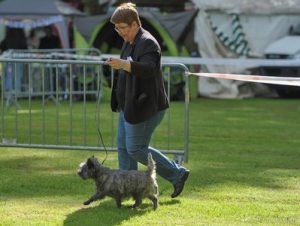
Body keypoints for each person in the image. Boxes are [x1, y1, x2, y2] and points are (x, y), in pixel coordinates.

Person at [106, 3, 189, 198]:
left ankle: (177, 173)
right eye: (117, 28)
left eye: (123, 28)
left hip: (145, 107)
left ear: (135, 24)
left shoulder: (149, 42)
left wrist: (125, 64)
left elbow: (149, 69)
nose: (120, 33)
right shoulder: (129, 41)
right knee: (124, 149)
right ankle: (126, 188)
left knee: (135, 149)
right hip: (128, 106)